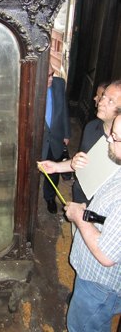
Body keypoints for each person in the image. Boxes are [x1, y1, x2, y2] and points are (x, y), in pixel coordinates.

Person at [63, 113, 121, 331]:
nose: (108, 139)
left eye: (114, 137)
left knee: (83, 326)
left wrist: (79, 217)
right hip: (97, 283)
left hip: (99, 285)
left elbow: (106, 255)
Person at [40, 80, 121, 205]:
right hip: (79, 198)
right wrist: (56, 167)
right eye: (103, 96)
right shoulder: (91, 128)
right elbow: (83, 163)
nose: (101, 102)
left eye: (111, 101)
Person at [41, 63, 70, 213]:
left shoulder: (59, 84)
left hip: (56, 138)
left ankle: (50, 197)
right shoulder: (28, 85)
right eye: (47, 76)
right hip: (37, 141)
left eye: (52, 74)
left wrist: (66, 133)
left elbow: (64, 109)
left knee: (53, 172)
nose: (51, 79)